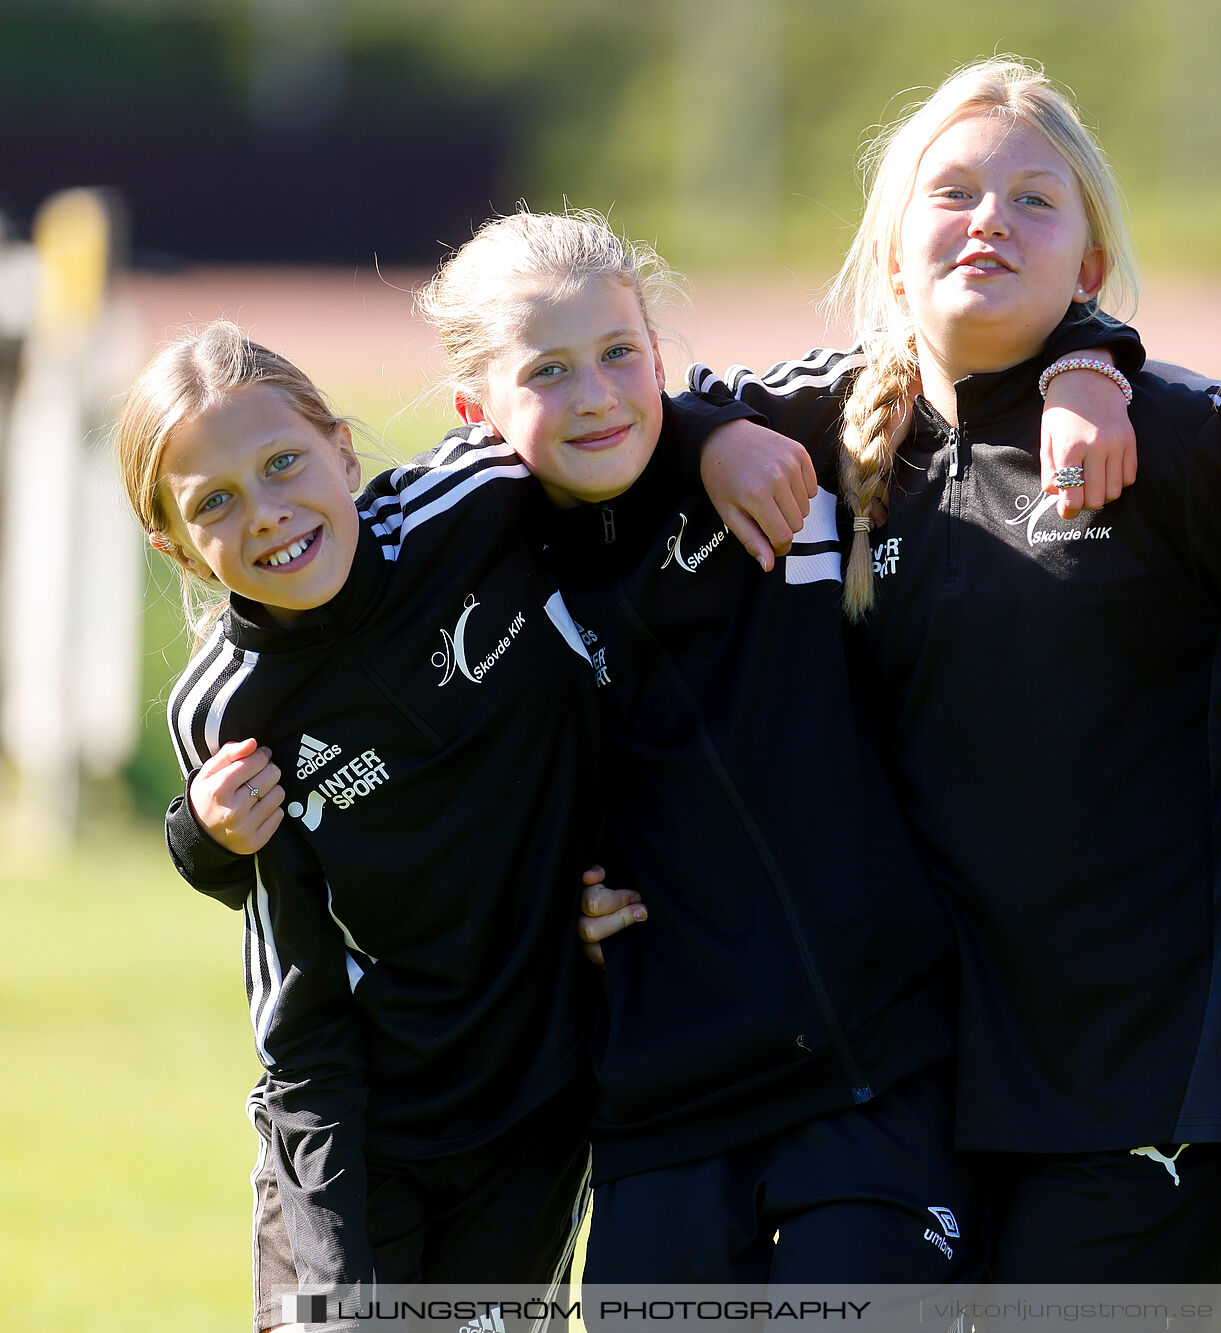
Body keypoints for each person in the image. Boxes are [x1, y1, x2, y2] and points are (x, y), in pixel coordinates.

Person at [687, 56, 1221, 1285]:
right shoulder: (834, 420)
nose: (990, 221)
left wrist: (1095, 360)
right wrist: (712, 440)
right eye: (952, 194)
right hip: (909, 1080)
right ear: (893, 252)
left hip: (1146, 1076)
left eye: (1034, 201)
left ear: (1091, 267)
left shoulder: (1182, 438)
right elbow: (629, 406)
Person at [126, 322, 743, 1328]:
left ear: (341, 445)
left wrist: (717, 437)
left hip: (533, 1104)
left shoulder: (476, 500)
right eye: (216, 504)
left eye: (285, 461)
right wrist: (199, 837)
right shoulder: (225, 711)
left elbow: (607, 415)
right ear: (175, 546)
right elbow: (294, 979)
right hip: (355, 1125)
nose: (270, 513)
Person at [411, 208, 985, 1288]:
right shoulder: (470, 577)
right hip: (657, 1115)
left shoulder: (779, 441)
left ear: (660, 355)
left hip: (870, 1074)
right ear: (473, 408)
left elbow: (956, 346)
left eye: (620, 353)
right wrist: (542, 908)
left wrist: (698, 427)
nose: (595, 395)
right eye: (547, 371)